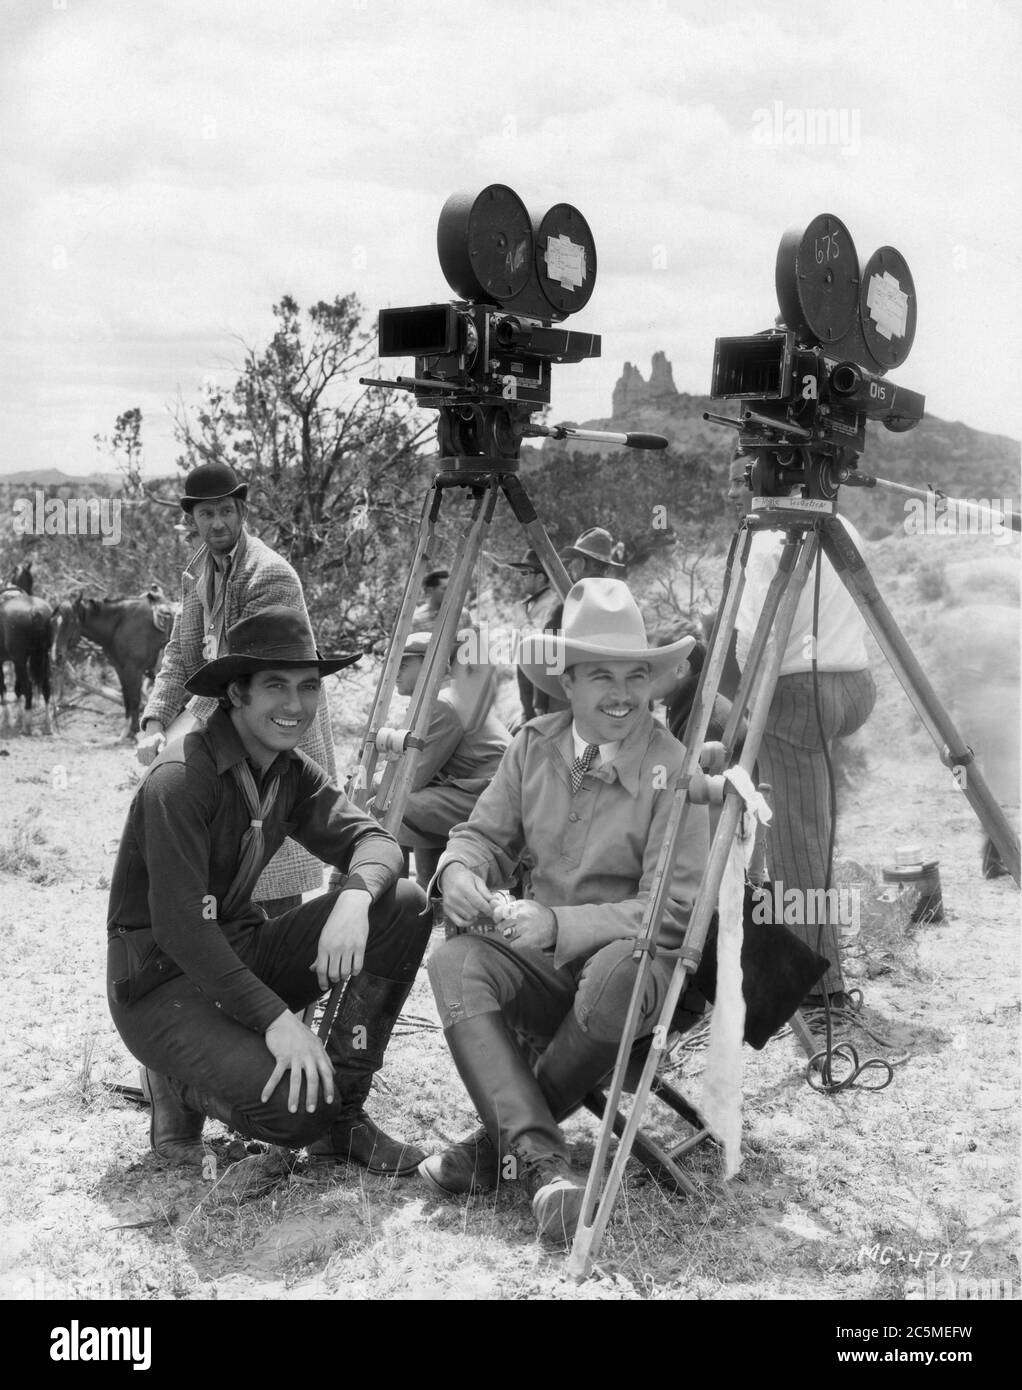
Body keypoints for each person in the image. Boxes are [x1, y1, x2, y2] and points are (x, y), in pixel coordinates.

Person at [419, 579, 707, 1244]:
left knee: (617, 972)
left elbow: (671, 913)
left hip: (635, 982)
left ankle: (502, 1154)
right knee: (454, 961)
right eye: (600, 675)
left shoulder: (677, 772)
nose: (621, 694)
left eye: (635, 676)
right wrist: (458, 870)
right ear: (567, 683)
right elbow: (481, 835)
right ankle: (546, 1168)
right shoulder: (533, 746)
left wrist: (558, 923)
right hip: (546, 975)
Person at [107, 607, 431, 1178]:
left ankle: (345, 1119)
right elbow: (182, 928)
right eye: (276, 686)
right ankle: (179, 1087)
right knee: (296, 1110)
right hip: (162, 985)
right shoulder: (180, 778)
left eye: (308, 687)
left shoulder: (288, 770)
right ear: (235, 693)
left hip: (238, 953)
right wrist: (280, 1021)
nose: (295, 705)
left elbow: (378, 843)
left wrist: (355, 897)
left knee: (400, 902)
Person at [135, 462, 338, 917]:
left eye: (225, 510)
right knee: (223, 863)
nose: (217, 523)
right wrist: (153, 723)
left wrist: (179, 735)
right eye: (206, 514)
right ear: (193, 520)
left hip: (275, 726)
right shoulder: (199, 572)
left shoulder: (268, 574)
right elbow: (180, 656)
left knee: (273, 864)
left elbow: (245, 675)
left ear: (241, 510)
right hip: (227, 724)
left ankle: (286, 977)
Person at [727, 446, 877, 1003]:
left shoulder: (771, 541)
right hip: (853, 686)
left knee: (797, 841)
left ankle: (819, 987)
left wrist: (750, 713)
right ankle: (792, 954)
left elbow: (749, 640)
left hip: (797, 695)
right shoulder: (846, 527)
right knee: (803, 823)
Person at [391, 633, 511, 892]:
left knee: (391, 804)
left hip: (495, 799)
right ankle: (426, 891)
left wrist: (369, 780)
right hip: (485, 793)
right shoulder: (443, 697)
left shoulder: (442, 702)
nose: (395, 673)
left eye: (403, 664)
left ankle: (390, 899)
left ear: (429, 665)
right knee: (412, 801)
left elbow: (410, 779)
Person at [508, 547, 567, 722]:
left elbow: (541, 647)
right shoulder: (534, 604)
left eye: (525, 572)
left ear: (541, 577)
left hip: (544, 702)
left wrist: (521, 618)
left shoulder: (553, 604)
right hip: (530, 700)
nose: (521, 577)